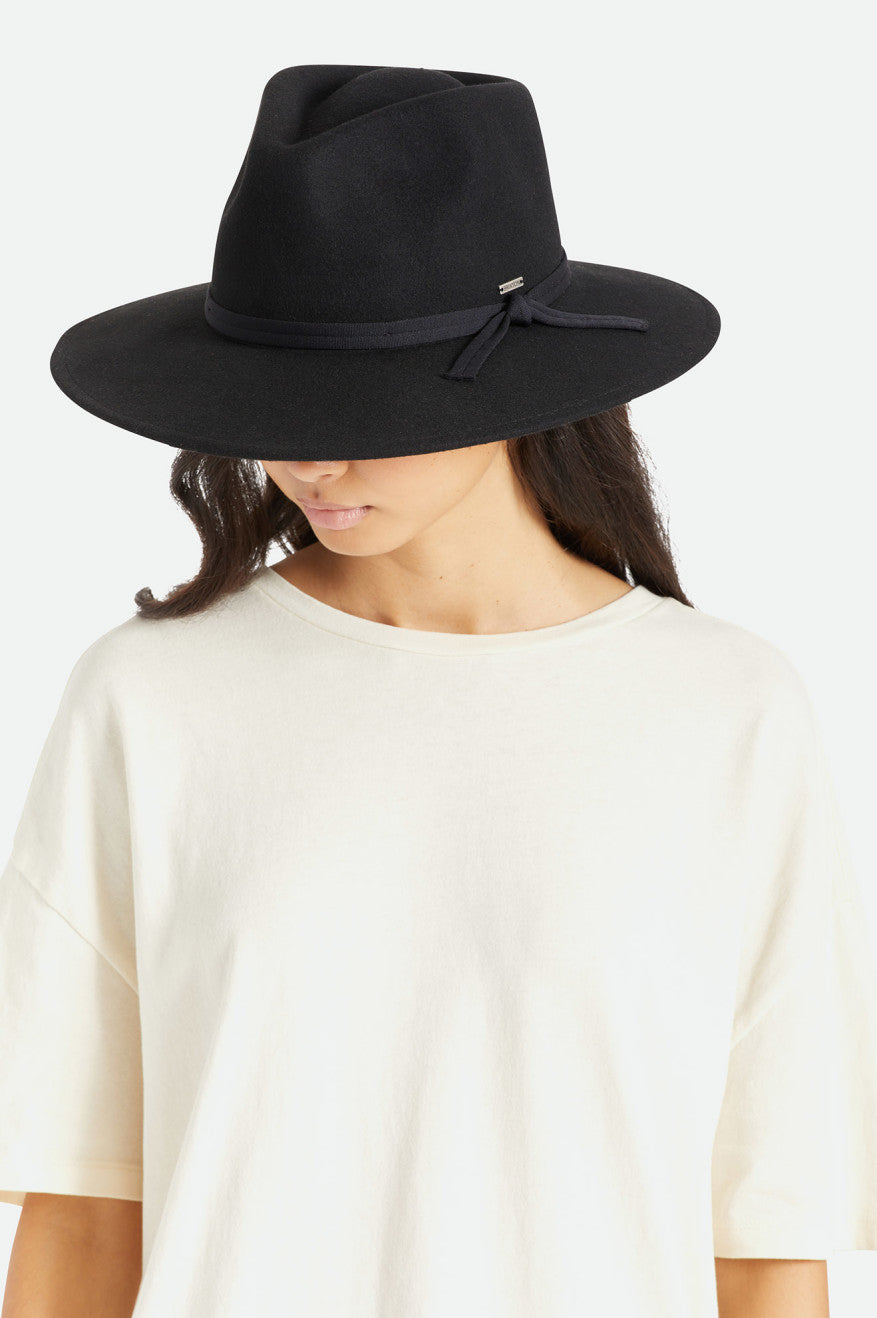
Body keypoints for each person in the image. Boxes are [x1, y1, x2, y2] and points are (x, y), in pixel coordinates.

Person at [1, 63, 876, 1318]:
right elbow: (84, 1213)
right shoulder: (147, 701)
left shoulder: (726, 713)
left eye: (361, 404)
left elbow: (764, 1238)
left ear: (514, 379)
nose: (305, 458)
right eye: (274, 402)